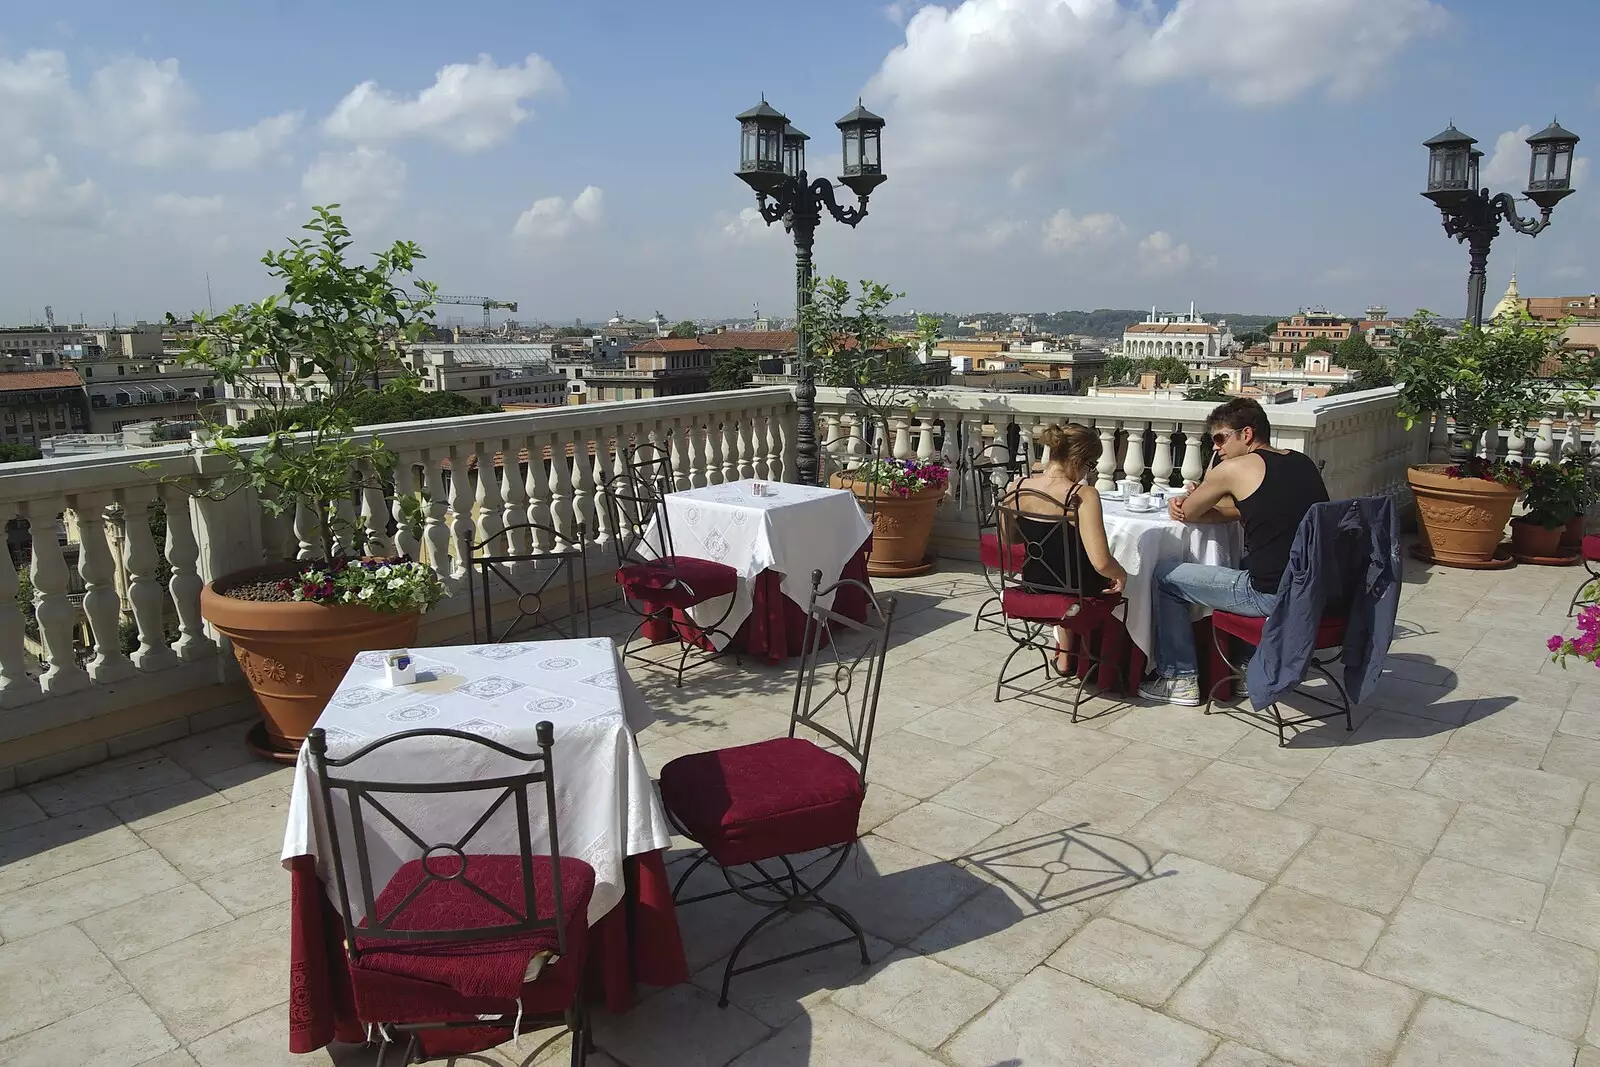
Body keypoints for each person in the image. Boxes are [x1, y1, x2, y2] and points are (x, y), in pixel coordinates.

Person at [1139, 397, 1329, 706]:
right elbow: (1244, 511)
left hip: (1271, 594)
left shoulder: (1235, 468)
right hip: (1314, 588)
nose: (1216, 447)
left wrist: (1200, 489)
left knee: (1164, 576)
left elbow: (1189, 512)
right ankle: (1244, 667)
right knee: (1242, 561)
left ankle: (1180, 678)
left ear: (1247, 434)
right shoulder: (1300, 461)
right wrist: (1208, 500)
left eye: (1220, 438)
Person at [1000, 423, 1128, 675]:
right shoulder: (1082, 495)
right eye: (1090, 465)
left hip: (1034, 582)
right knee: (1121, 580)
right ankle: (1113, 668)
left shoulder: (1017, 486)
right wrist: (1122, 573)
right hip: (1076, 592)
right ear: (1079, 460)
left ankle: (1064, 657)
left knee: (1065, 568)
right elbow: (1101, 562)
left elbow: (1009, 538)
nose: (1088, 473)